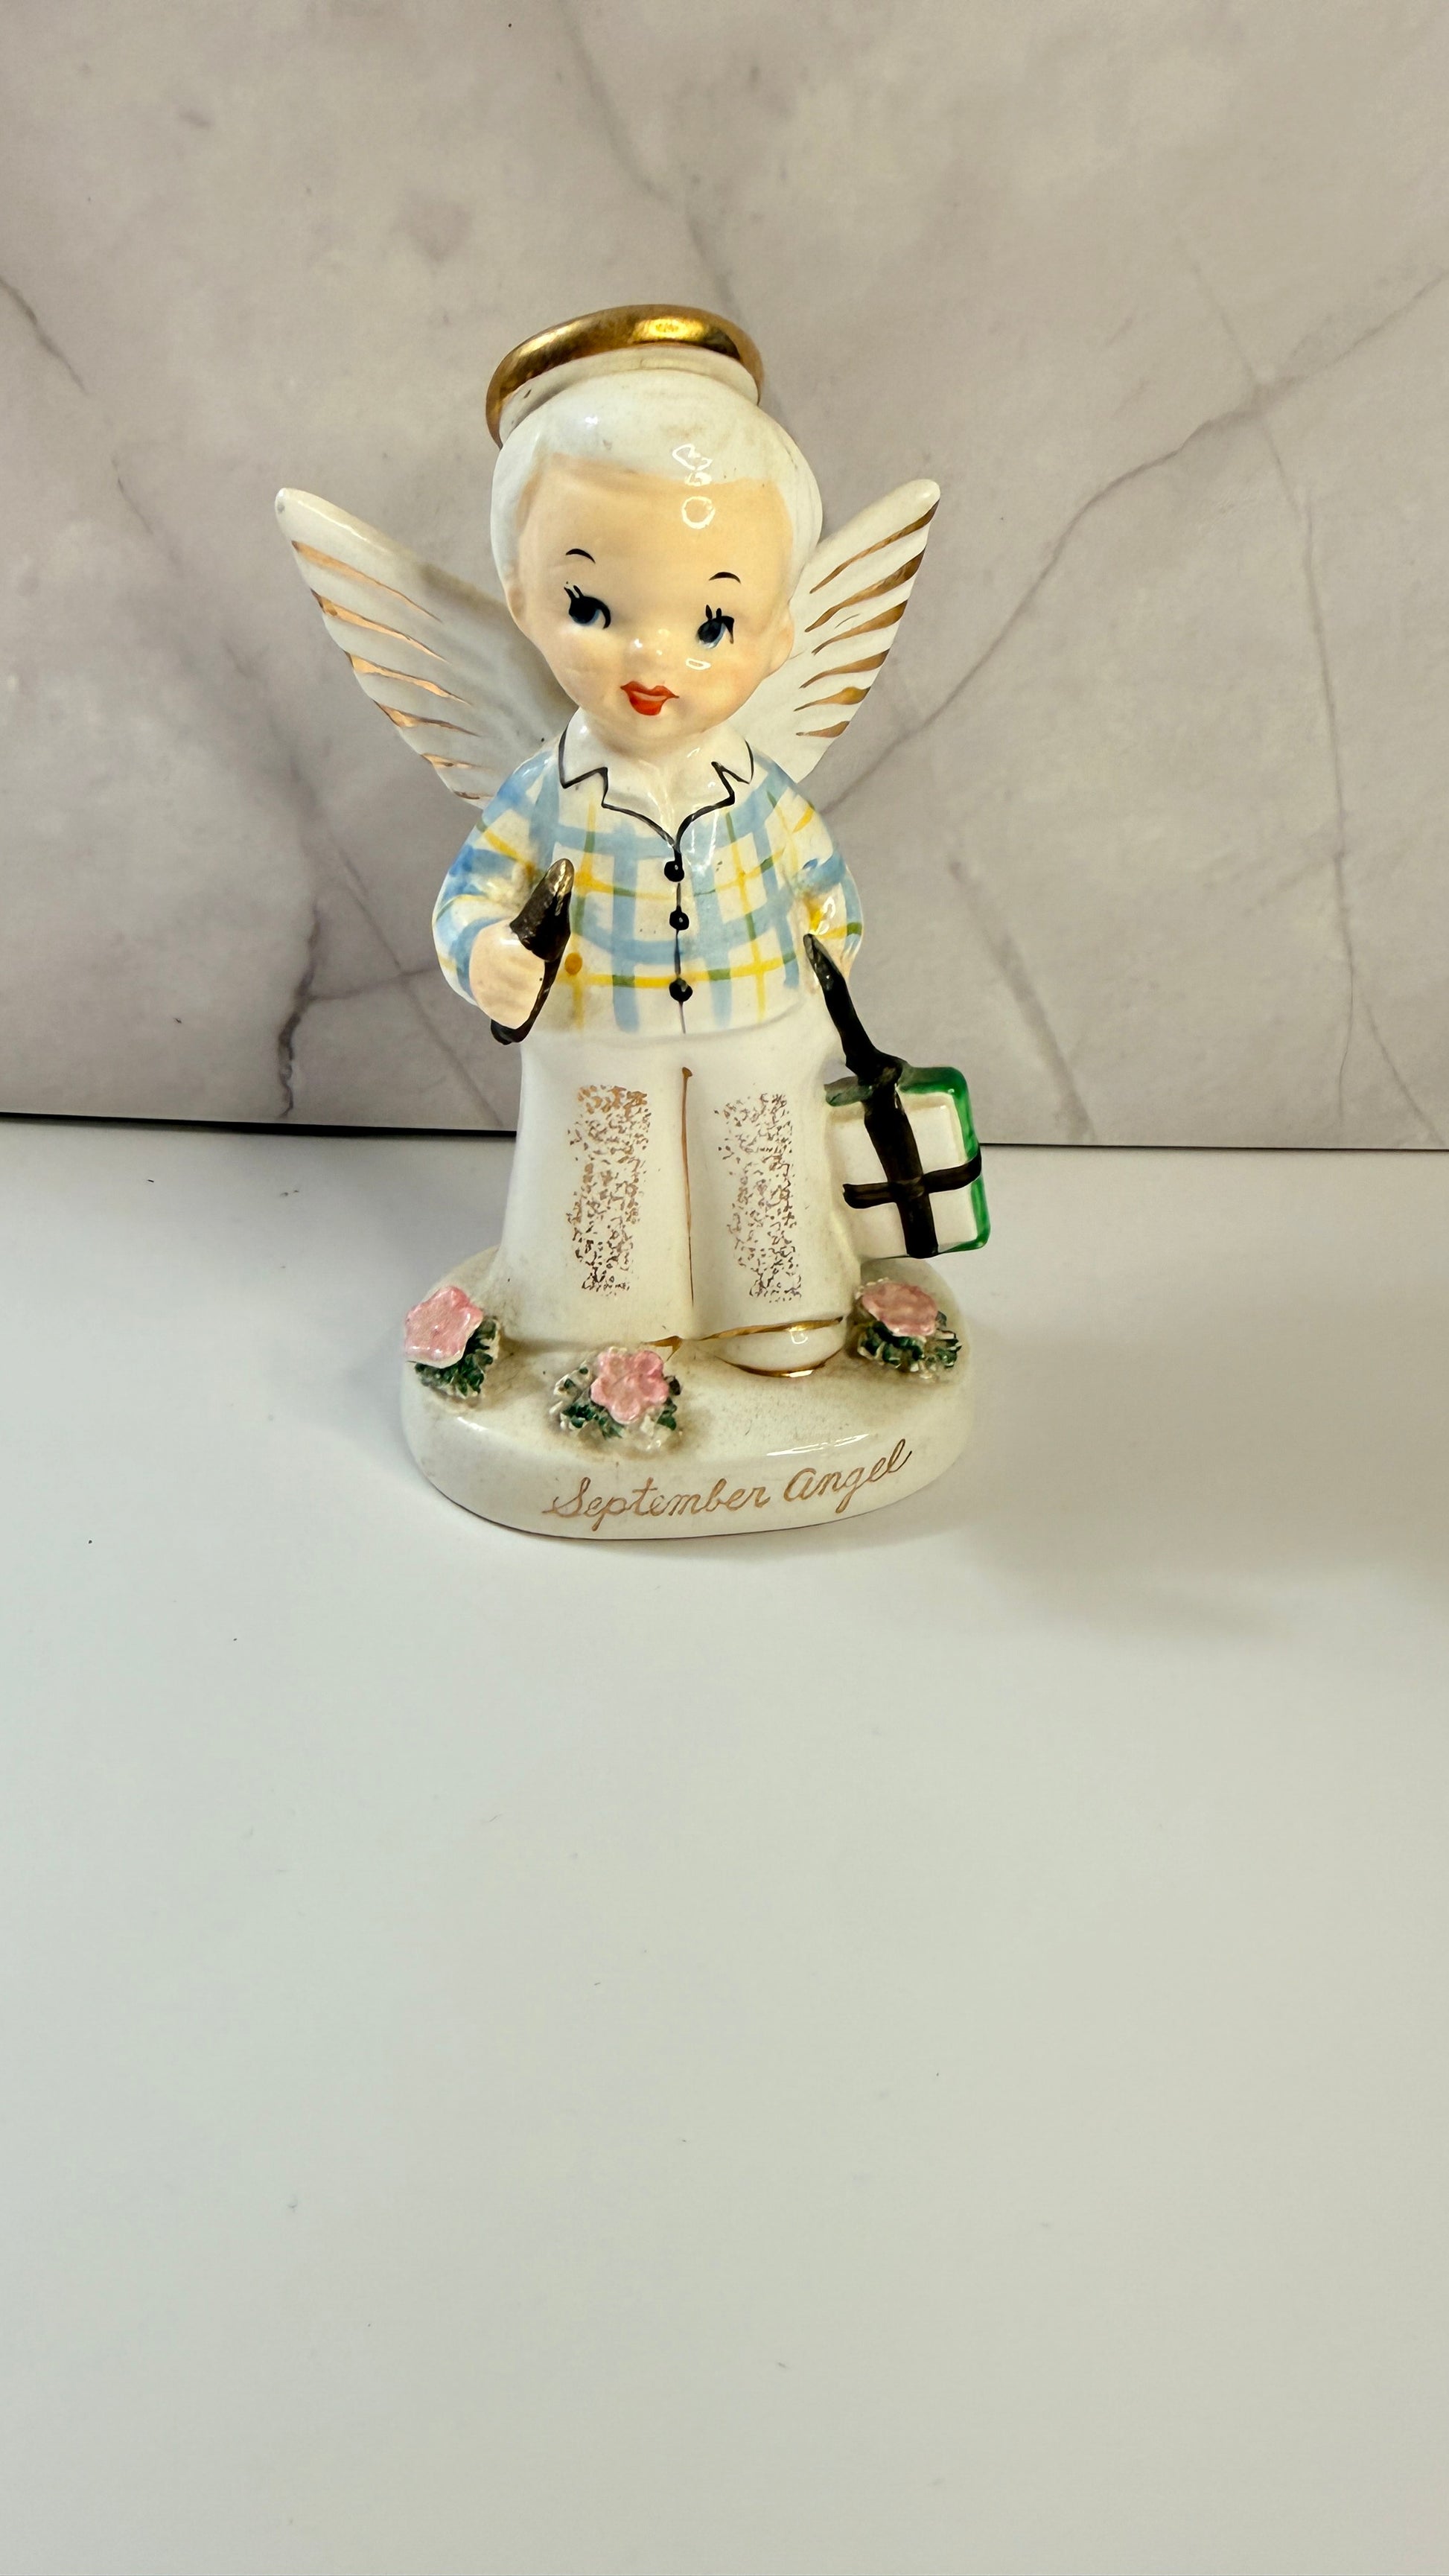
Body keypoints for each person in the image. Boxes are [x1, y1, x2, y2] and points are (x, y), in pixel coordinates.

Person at [433, 327, 865, 1371]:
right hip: (598, 1035)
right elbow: (470, 891)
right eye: (591, 607)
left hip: (753, 1021)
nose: (652, 658)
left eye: (714, 624)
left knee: (761, 1165)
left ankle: (777, 1310)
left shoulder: (760, 793)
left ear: (780, 635)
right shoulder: (543, 794)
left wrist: (824, 977)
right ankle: (603, 1321)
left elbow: (825, 888)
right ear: (522, 598)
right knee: (603, 1172)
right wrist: (484, 951)